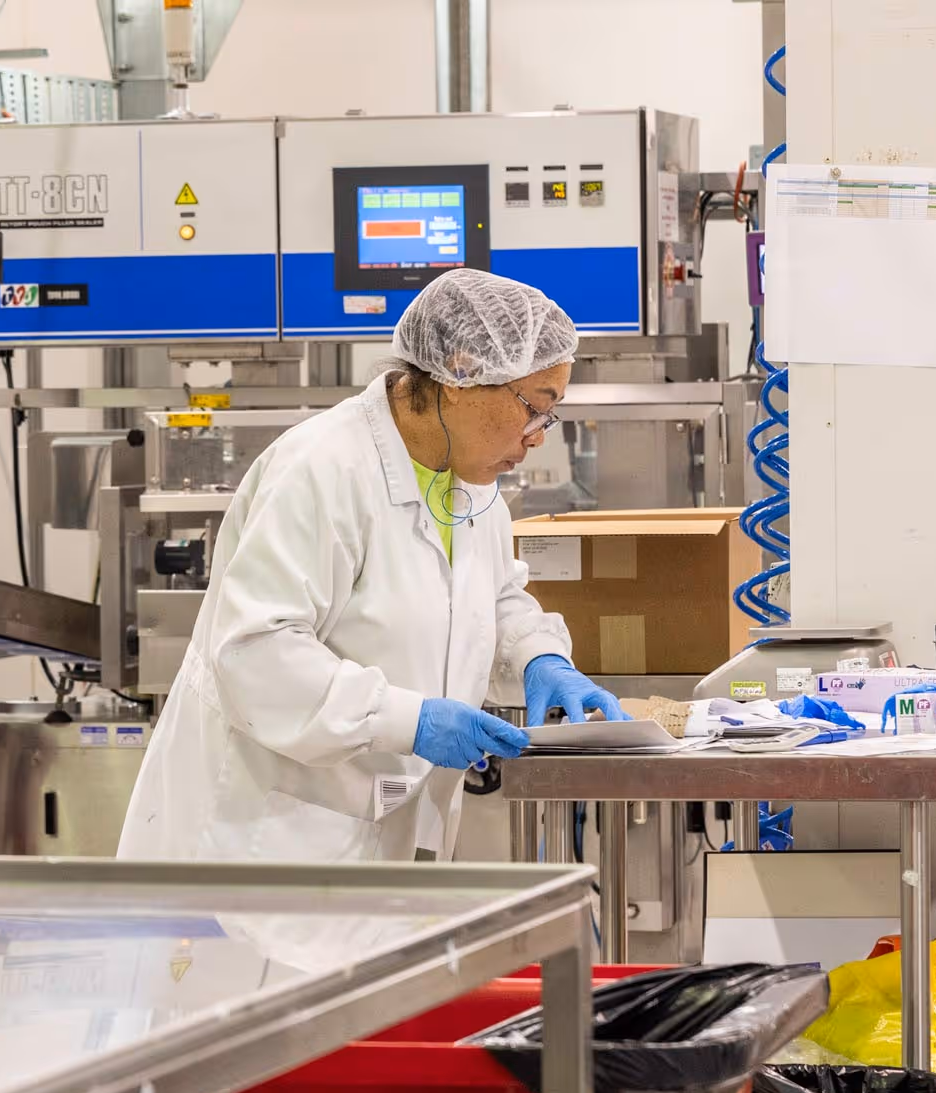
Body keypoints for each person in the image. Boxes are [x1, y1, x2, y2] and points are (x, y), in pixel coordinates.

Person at [117, 270, 624, 867]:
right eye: (535, 408)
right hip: (269, 843)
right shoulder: (323, 469)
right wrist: (411, 720)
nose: (538, 436)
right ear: (461, 373)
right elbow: (255, 654)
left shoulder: (466, 478)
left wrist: (540, 657)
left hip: (385, 836)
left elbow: (492, 598)